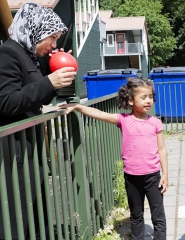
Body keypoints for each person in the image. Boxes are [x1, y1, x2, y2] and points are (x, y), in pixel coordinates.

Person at [0, 3, 76, 239]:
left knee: (34, 215)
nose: (54, 45)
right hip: (11, 155)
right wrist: (49, 82)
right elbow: (7, 102)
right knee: (13, 218)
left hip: (29, 150)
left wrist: (61, 74)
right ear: (35, 29)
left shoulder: (28, 56)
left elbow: (33, 95)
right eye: (52, 37)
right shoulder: (5, 54)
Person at [59, 77, 168, 239]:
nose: (148, 101)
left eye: (151, 96)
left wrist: (165, 174)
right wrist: (77, 107)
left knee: (158, 215)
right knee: (136, 214)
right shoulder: (124, 120)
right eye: (143, 97)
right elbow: (99, 113)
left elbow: (162, 149)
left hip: (153, 176)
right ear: (130, 100)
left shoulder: (155, 123)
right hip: (131, 177)